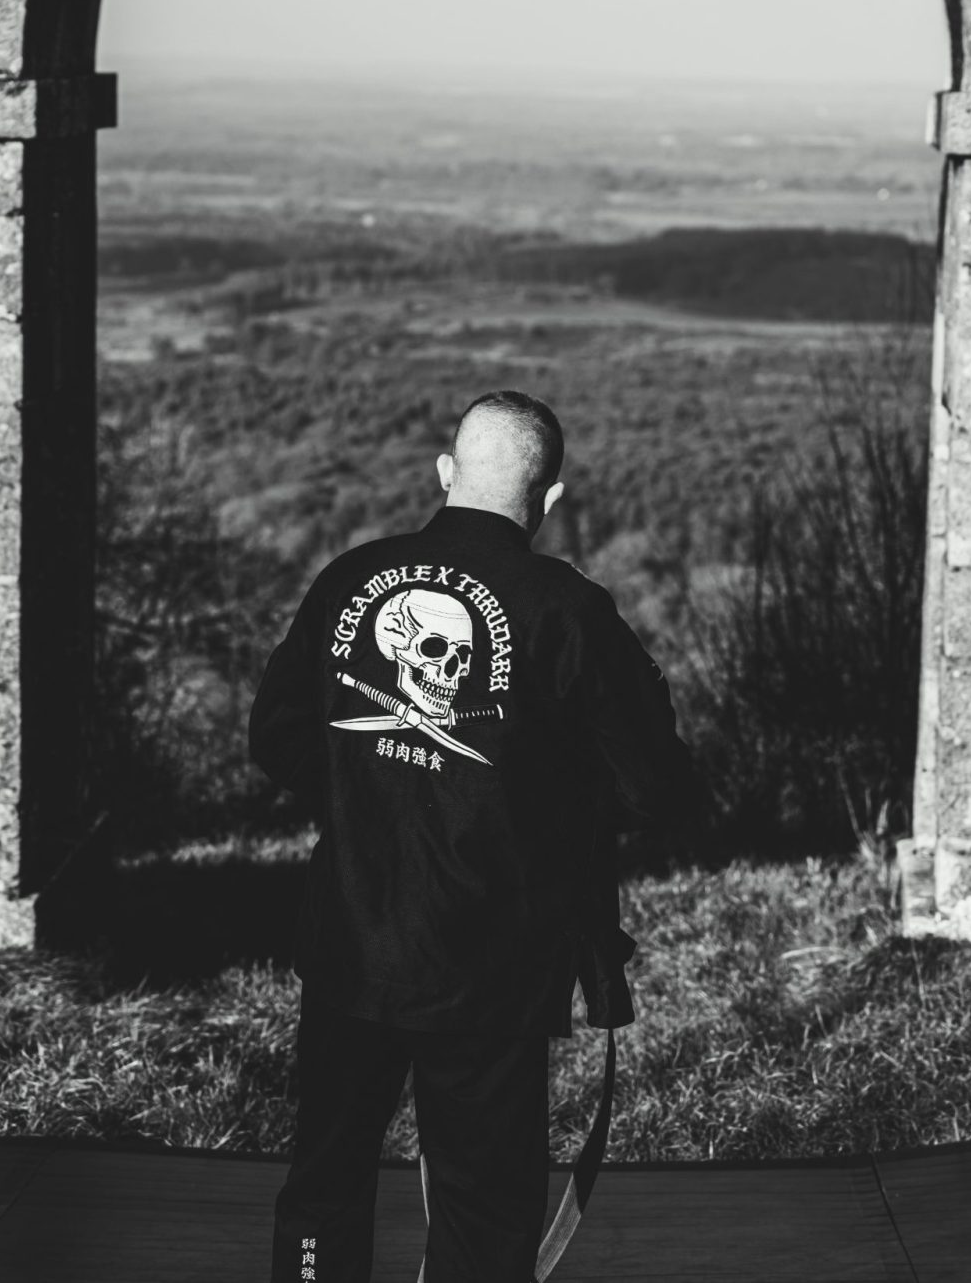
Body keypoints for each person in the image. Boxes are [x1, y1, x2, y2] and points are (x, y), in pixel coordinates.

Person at [250, 389, 698, 1283]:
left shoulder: (349, 577)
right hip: (492, 960)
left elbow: (277, 737)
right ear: (550, 496)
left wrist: (369, 795)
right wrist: (538, 811)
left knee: (324, 1183)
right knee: (482, 1210)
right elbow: (656, 788)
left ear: (445, 472)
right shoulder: (567, 610)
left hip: (352, 938)